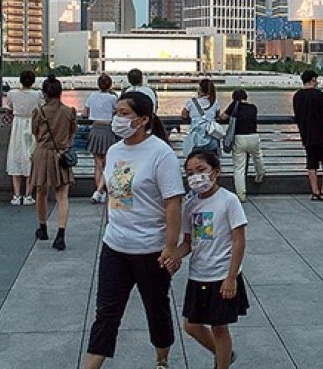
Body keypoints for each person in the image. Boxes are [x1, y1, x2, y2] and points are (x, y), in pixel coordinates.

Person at [82, 91, 183, 369]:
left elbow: (173, 202)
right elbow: (114, 195)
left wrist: (171, 247)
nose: (117, 119)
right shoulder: (114, 151)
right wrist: (110, 225)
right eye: (116, 112)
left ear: (143, 120)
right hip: (115, 246)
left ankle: (162, 359)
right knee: (106, 313)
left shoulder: (161, 154)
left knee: (156, 308)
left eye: (124, 114)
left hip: (151, 249)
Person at [176, 150, 249, 369]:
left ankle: (222, 364)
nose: (195, 177)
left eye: (201, 170)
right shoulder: (190, 205)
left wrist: (231, 278)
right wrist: (173, 256)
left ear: (215, 172)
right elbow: (189, 242)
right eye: (190, 173)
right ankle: (225, 355)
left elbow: (239, 241)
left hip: (222, 274)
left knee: (219, 327)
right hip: (199, 273)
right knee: (191, 325)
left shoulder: (229, 200)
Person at [30, 76, 76, 251]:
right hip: (62, 155)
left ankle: (43, 228)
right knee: (62, 196)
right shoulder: (70, 111)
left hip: (43, 154)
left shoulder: (39, 112)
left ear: (44, 93)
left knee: (41, 192)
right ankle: (61, 234)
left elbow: (34, 133)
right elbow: (72, 134)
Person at [292, 69, 323, 201]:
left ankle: (315, 192)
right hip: (322, 134)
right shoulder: (320, 95)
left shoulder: (297, 96)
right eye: (316, 80)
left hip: (306, 134)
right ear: (312, 79)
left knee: (311, 163)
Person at [5, 70, 41, 206]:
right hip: (31, 125)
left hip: (17, 125)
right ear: (33, 81)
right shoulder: (37, 95)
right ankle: (28, 195)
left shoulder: (12, 94)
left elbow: (9, 107)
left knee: (15, 156)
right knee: (30, 157)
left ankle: (16, 195)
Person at [221, 89, 264, 201]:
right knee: (257, 156)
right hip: (253, 137)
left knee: (239, 167)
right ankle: (260, 174)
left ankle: (241, 194)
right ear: (246, 96)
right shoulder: (253, 107)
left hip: (239, 138)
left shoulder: (234, 107)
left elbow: (223, 117)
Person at [84, 73, 119, 204]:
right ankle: (100, 191)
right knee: (107, 162)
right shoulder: (112, 98)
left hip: (95, 129)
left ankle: (99, 191)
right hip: (108, 130)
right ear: (110, 85)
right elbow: (118, 111)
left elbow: (85, 113)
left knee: (97, 164)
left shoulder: (92, 96)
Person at [180, 78, 221, 154]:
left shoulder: (191, 102)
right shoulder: (215, 102)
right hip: (211, 137)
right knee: (212, 163)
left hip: (196, 139)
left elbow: (184, 115)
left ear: (200, 89)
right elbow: (217, 114)